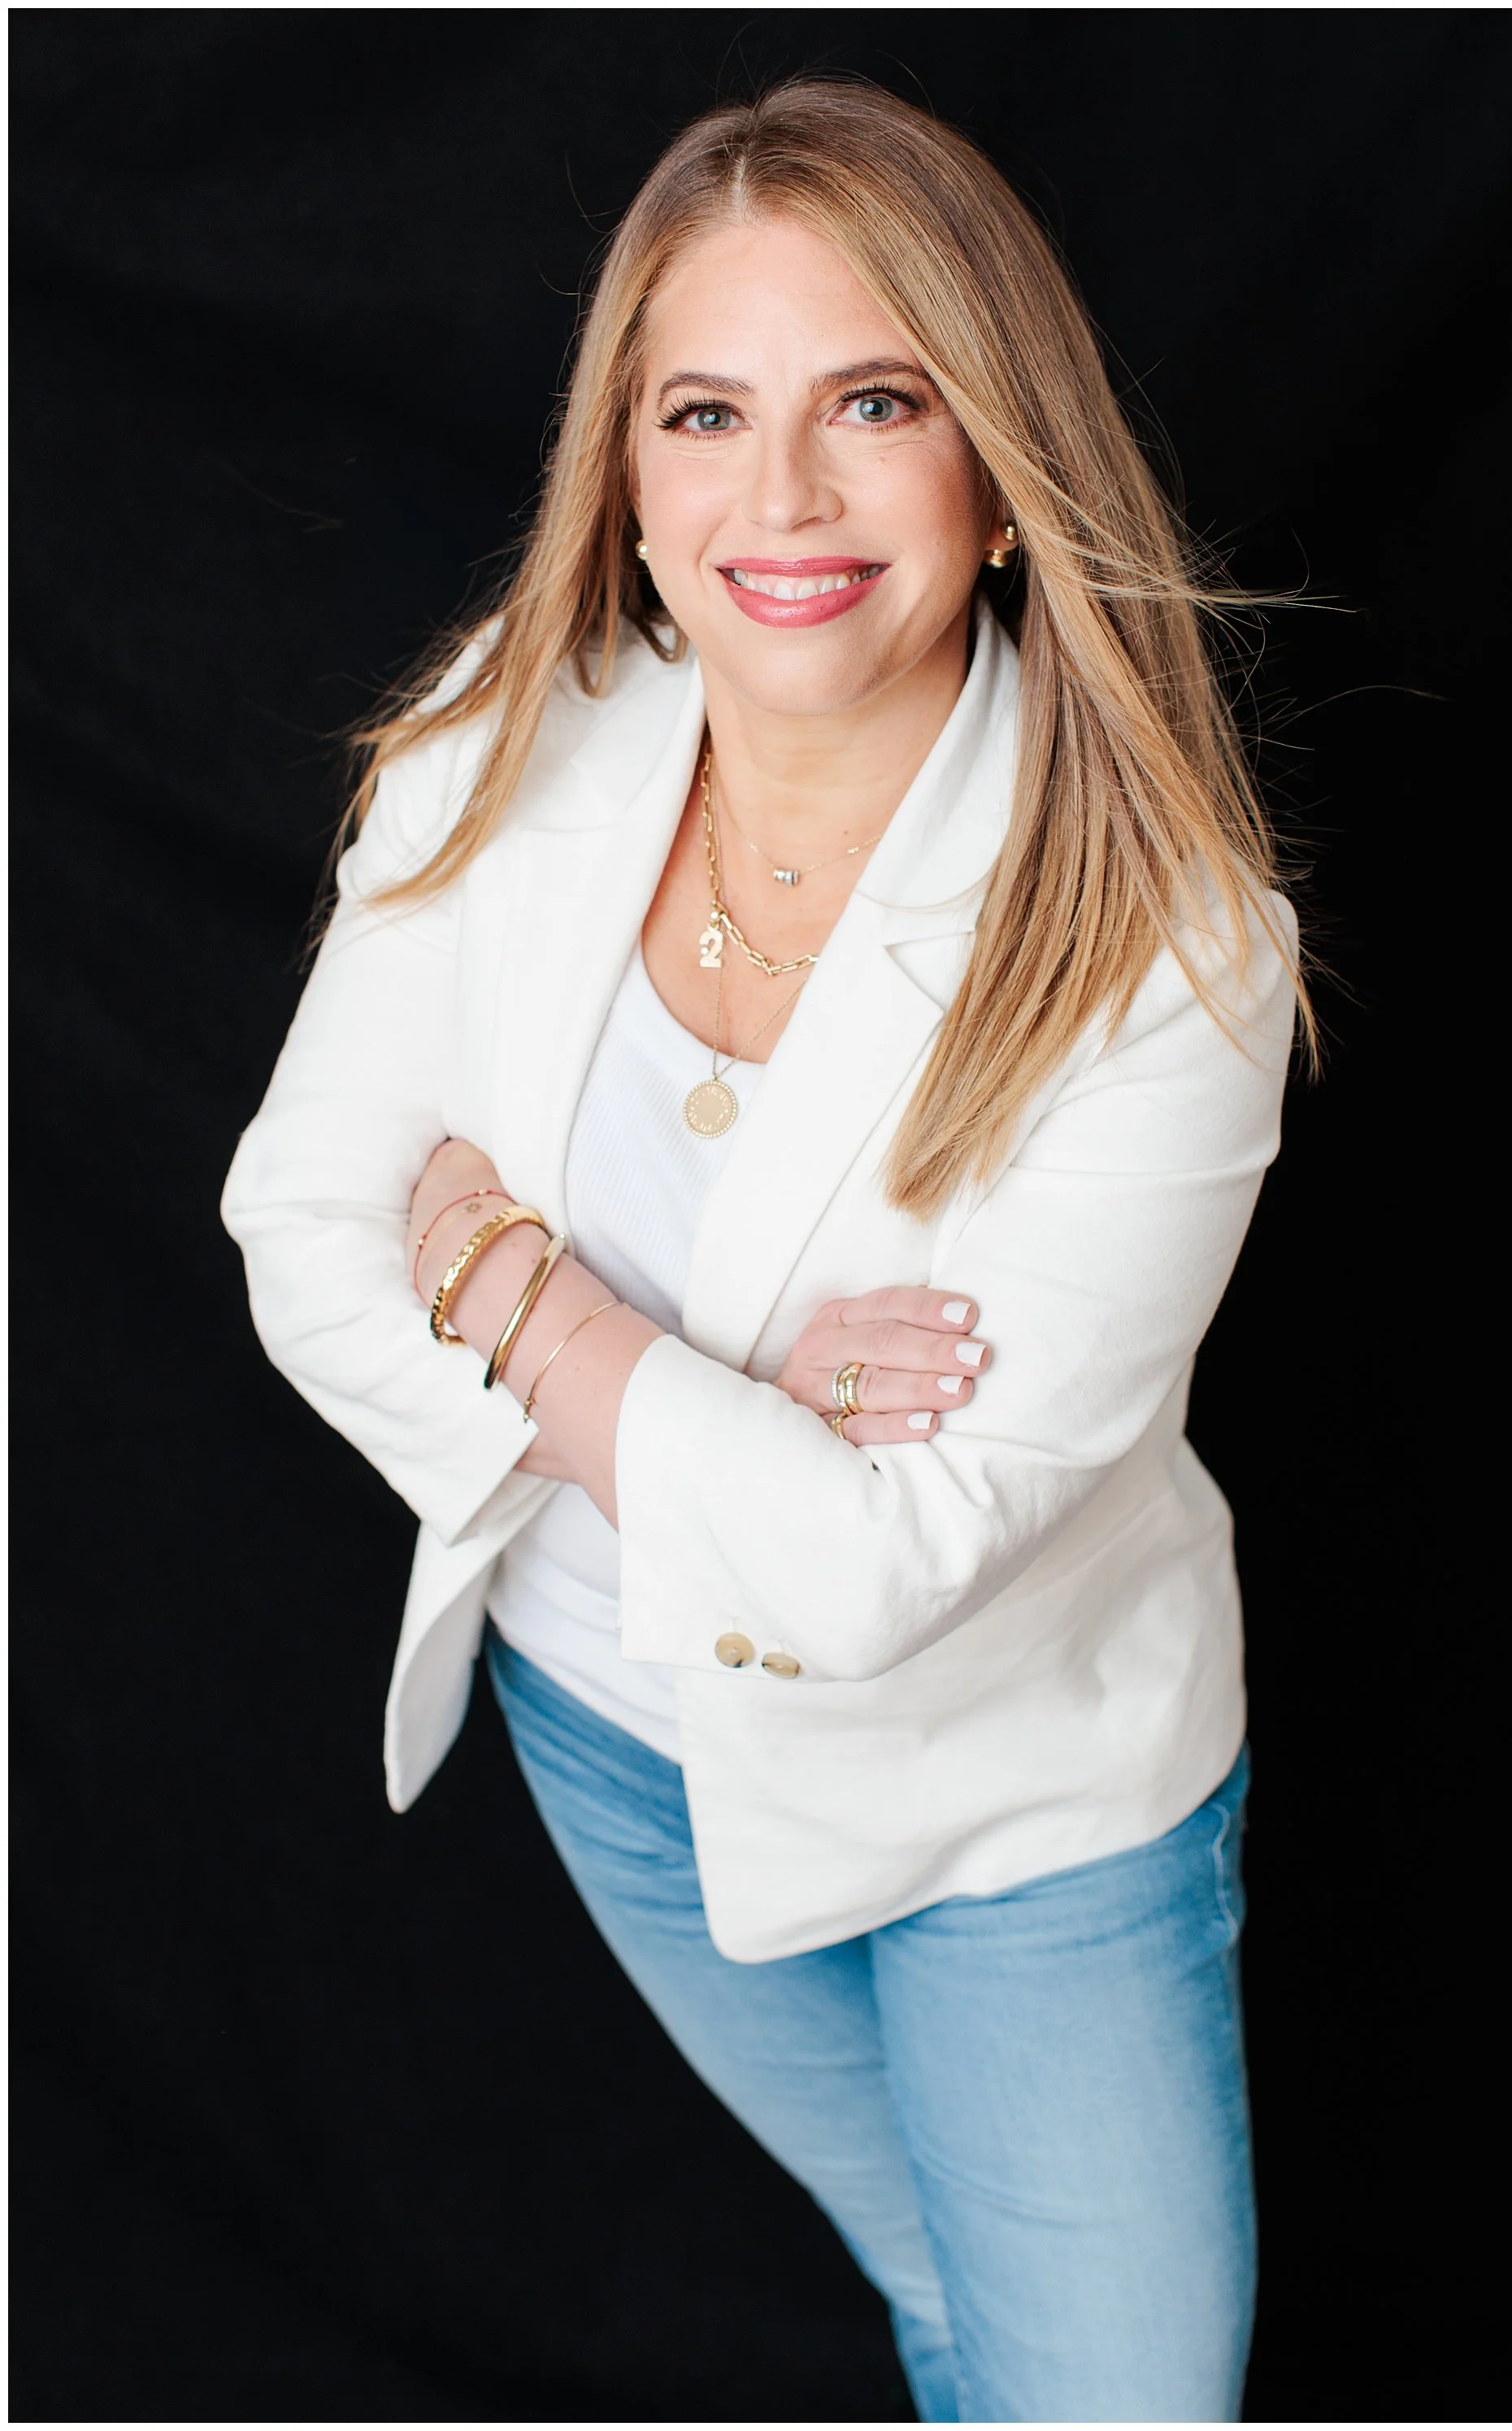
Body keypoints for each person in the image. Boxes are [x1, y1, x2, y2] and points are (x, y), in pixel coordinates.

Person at [222, 78, 1310, 2424]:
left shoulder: (1174, 949)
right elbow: (300, 1233)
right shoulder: (495, 752)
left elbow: (868, 1571)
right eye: (706, 413)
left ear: (1002, 472)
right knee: (942, 2286)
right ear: (626, 480)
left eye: (877, 404)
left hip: (1024, 1804)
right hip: (612, 1732)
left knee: (1113, 2394)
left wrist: (522, 1292)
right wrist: (721, 1408)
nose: (784, 499)